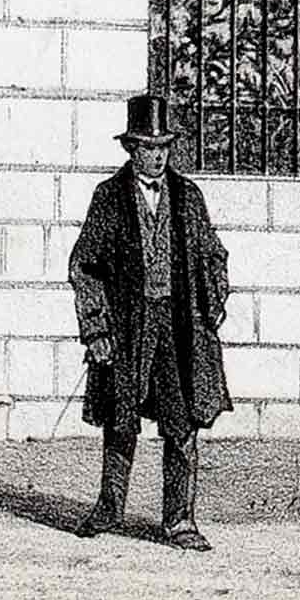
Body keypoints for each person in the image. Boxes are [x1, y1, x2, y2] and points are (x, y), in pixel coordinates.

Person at [69, 93, 232, 550]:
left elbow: (213, 254)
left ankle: (179, 520)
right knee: (120, 420)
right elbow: (85, 266)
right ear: (130, 149)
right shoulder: (108, 197)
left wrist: (213, 301)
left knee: (182, 426)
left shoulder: (189, 196)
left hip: (179, 328)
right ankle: (109, 509)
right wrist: (97, 329)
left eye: (163, 147)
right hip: (127, 326)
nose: (156, 155)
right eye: (147, 146)